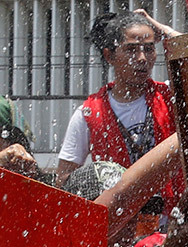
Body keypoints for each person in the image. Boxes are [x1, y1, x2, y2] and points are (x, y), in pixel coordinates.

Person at [56, 11, 179, 213]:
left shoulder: (171, 96)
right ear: (109, 56)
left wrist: (164, 30)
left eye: (149, 49)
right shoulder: (87, 113)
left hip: (172, 226)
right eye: (131, 50)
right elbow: (63, 183)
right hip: (118, 230)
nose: (142, 58)